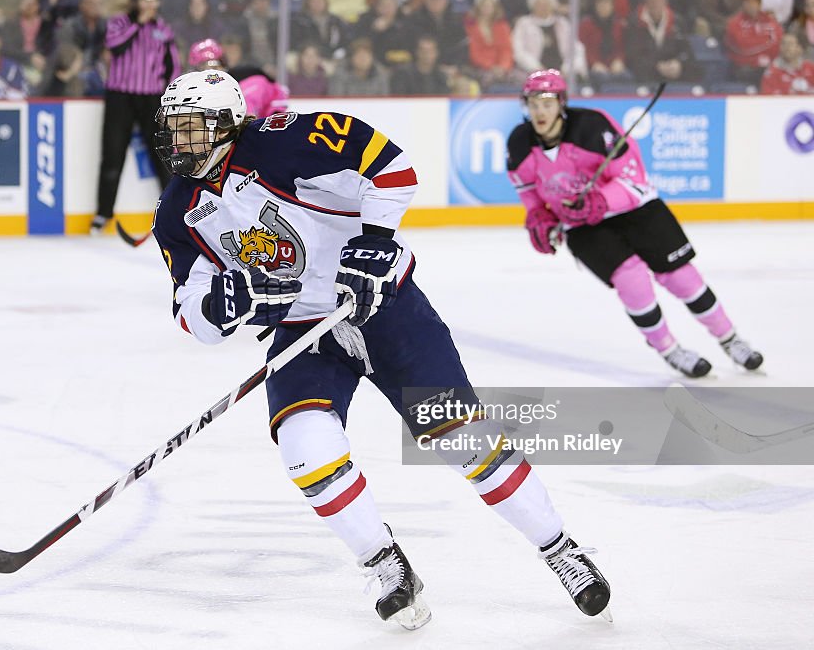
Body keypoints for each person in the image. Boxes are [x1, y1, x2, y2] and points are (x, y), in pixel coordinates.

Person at [149, 68, 613, 629]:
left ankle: (559, 548)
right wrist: (221, 307)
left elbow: (390, 165)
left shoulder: (284, 140)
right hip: (302, 333)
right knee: (305, 449)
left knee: (463, 440)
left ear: (226, 125)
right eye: (173, 128)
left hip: (384, 310)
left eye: (191, 128)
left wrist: (373, 245)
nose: (178, 141)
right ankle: (384, 563)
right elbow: (189, 308)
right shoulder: (176, 211)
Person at [506, 69, 764, 377]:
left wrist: (600, 201)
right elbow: (530, 194)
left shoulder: (592, 126)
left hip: (636, 210)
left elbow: (633, 178)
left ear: (561, 103)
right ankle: (669, 349)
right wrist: (539, 218)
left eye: (547, 103)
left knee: (682, 278)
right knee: (633, 282)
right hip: (583, 226)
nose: (540, 111)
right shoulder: (520, 143)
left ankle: (730, 339)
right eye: (533, 103)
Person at [91, 0, 180, 235]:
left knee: (163, 156)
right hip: (120, 96)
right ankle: (103, 213)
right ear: (135, 1)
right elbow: (115, 46)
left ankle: (173, 210)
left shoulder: (163, 28)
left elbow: (171, 64)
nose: (150, 5)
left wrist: (169, 93)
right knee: (112, 155)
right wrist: (139, 22)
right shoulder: (120, 23)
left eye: (153, 0)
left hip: (151, 98)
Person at [186, 38, 288, 117]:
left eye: (213, 68)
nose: (209, 76)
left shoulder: (247, 86)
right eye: (201, 69)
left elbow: (247, 122)